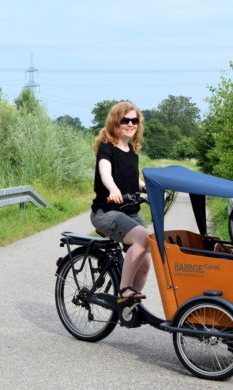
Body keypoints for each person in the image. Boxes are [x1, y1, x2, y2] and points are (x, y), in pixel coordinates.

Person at [90, 101, 151, 302]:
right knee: (142, 238)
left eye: (135, 120)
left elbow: (133, 178)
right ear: (116, 122)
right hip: (107, 212)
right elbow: (105, 172)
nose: (131, 124)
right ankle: (124, 289)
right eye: (126, 120)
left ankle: (130, 305)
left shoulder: (132, 150)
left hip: (130, 212)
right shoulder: (107, 148)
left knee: (145, 263)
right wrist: (113, 189)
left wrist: (146, 187)